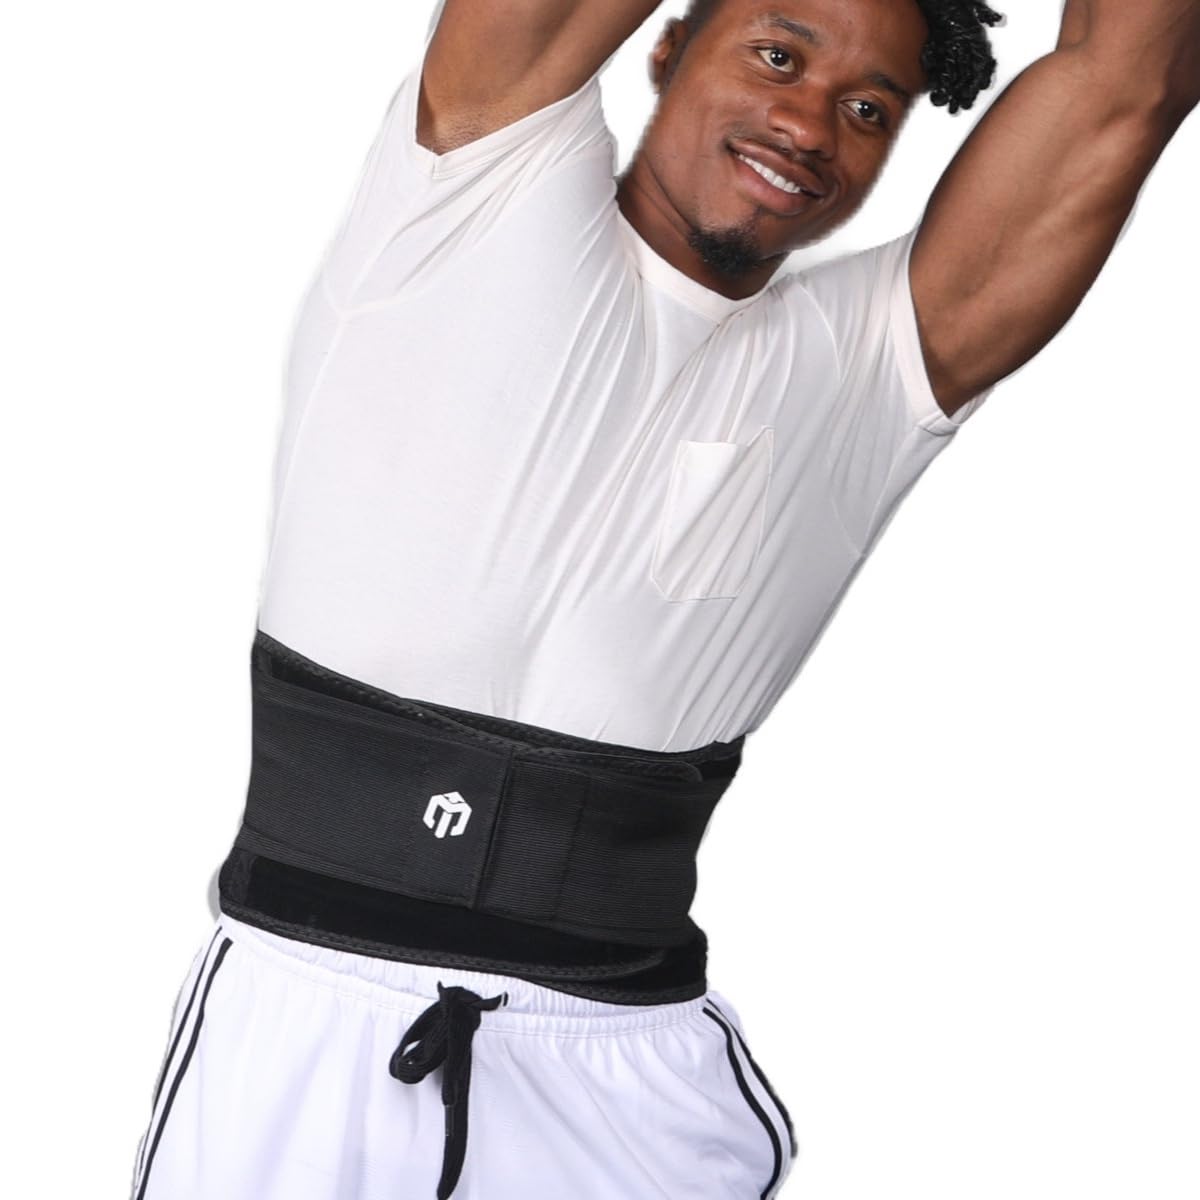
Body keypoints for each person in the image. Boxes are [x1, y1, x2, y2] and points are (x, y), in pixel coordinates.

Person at [128, 1, 1199, 1197]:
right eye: (779, 56)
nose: (810, 125)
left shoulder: (878, 368)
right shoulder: (469, 179)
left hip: (617, 1081)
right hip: (298, 1033)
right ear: (669, 44)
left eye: (867, 109)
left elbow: (1123, 84)